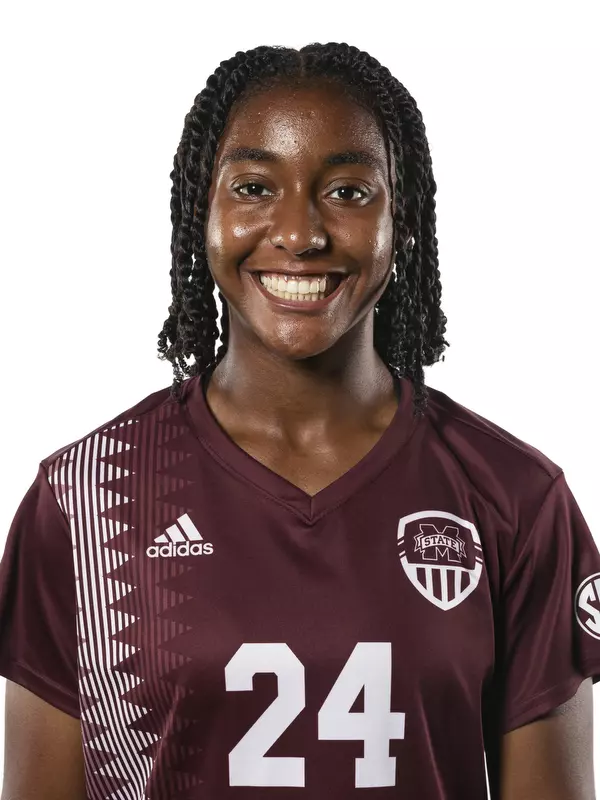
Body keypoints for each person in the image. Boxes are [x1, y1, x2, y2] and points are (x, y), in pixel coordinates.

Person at [0, 41, 598, 800]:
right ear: (200, 210)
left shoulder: (516, 499)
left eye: (348, 192)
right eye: (253, 186)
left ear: (402, 218)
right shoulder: (86, 497)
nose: (300, 233)